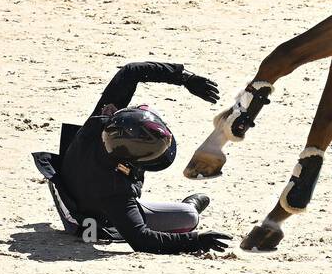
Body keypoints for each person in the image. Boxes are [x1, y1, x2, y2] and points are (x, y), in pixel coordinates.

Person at [55, 61, 231, 254]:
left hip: (69, 189)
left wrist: (185, 77)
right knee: (188, 216)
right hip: (89, 218)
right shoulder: (116, 190)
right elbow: (143, 240)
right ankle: (188, 207)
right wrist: (196, 241)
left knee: (148, 113)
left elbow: (132, 71)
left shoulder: (103, 123)